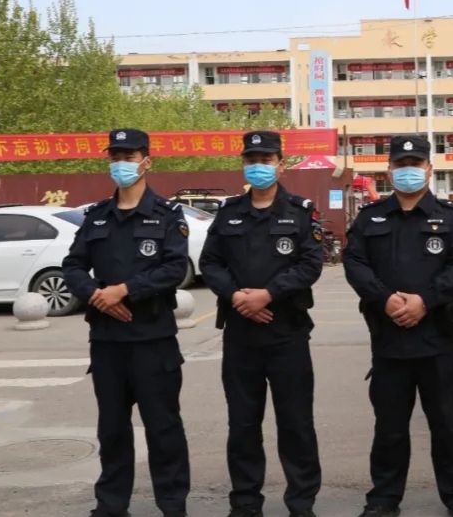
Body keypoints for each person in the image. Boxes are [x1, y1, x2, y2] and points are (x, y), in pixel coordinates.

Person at [343, 135, 453, 517]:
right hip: (389, 342)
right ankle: (384, 499)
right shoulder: (370, 217)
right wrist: (384, 298)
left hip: (438, 339)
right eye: (401, 165)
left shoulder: (450, 216)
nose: (408, 171)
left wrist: (426, 301)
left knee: (448, 426)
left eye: (415, 164)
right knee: (389, 428)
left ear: (429, 169)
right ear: (389, 171)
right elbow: (354, 262)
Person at [61, 128, 191, 517]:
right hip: (108, 341)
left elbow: (174, 268)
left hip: (153, 338)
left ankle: (172, 505)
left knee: (163, 429)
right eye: (115, 157)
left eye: (129, 157)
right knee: (112, 430)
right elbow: (72, 265)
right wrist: (96, 295)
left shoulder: (167, 214)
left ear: (146, 161)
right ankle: (111, 504)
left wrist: (124, 290)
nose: (121, 164)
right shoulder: (97, 216)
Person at [199, 130, 325, 517]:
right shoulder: (228, 212)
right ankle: (245, 502)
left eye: (266, 160)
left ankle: (301, 503)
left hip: (287, 333)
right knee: (243, 424)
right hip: (241, 334)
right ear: (243, 164)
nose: (258, 166)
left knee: (296, 424)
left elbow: (311, 263)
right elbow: (210, 263)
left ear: (280, 164)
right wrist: (237, 297)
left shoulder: (300, 211)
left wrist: (268, 294)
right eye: (251, 160)